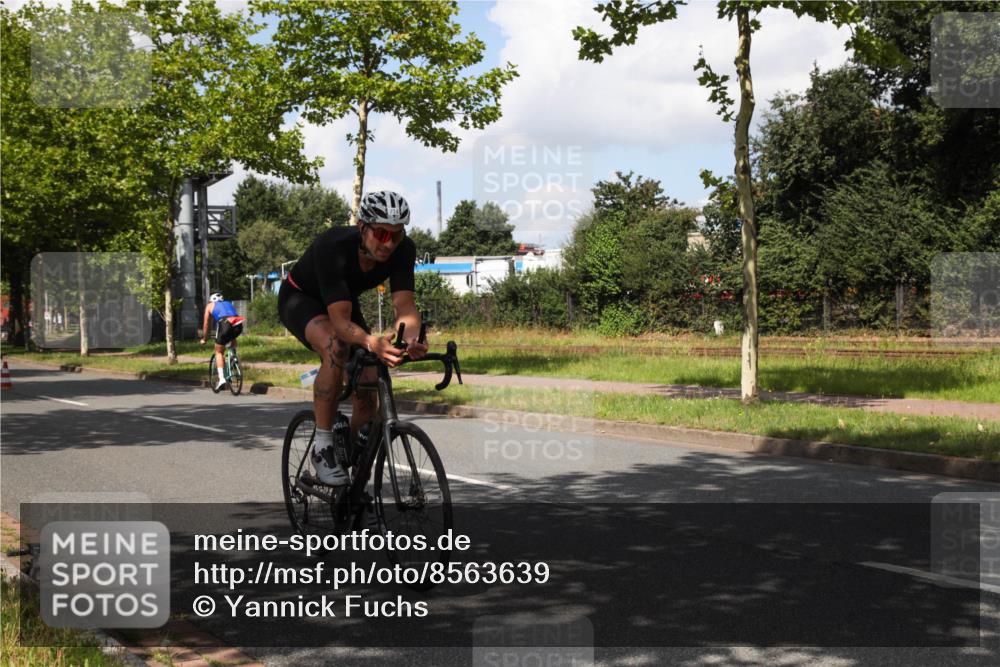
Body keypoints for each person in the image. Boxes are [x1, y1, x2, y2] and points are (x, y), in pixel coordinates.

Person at [278, 191, 427, 486]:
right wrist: (372, 341)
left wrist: (410, 339)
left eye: (396, 236)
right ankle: (323, 447)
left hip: (342, 301)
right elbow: (340, 324)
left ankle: (354, 463)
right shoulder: (332, 246)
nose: (388, 243)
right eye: (382, 233)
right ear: (363, 227)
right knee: (336, 346)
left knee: (369, 381)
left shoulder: (403, 249)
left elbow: (405, 307)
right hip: (302, 299)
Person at [200, 293, 246, 390]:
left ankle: (221, 379)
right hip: (238, 323)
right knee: (232, 338)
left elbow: (206, 324)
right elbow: (231, 316)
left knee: (219, 352)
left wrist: (204, 338)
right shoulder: (228, 303)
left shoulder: (209, 306)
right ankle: (233, 359)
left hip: (225, 324)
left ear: (211, 300)